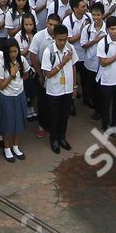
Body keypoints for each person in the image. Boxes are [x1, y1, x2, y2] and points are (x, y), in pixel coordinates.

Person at [40, 23, 78, 152]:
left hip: (67, 88)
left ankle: (62, 137)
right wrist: (62, 63)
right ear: (54, 38)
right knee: (54, 116)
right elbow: (47, 74)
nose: (62, 42)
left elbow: (73, 66)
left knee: (64, 115)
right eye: (60, 39)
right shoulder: (48, 51)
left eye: (65, 39)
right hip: (54, 90)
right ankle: (54, 139)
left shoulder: (70, 48)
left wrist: (74, 86)